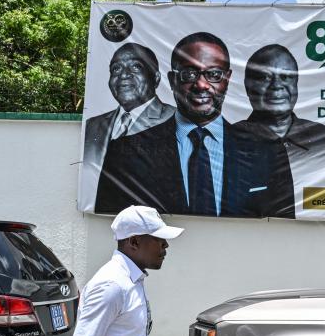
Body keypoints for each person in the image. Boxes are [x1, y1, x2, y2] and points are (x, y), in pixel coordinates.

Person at [95, 32, 294, 218]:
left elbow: (281, 231)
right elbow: (115, 229)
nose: (201, 85)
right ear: (172, 80)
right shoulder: (125, 153)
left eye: (214, 74)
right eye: (189, 74)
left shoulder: (268, 152)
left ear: (227, 79)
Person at [81, 43, 175, 211]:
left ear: (156, 78)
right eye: (116, 69)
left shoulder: (176, 120)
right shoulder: (93, 126)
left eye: (136, 67)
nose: (124, 75)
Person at [71, 205, 184, 336]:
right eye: (159, 238)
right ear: (134, 242)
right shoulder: (111, 286)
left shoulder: (132, 279)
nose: (166, 245)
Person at [235, 44, 325, 163]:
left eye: (286, 77)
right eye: (265, 77)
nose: (276, 86)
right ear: (248, 86)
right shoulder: (228, 140)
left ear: (296, 83)